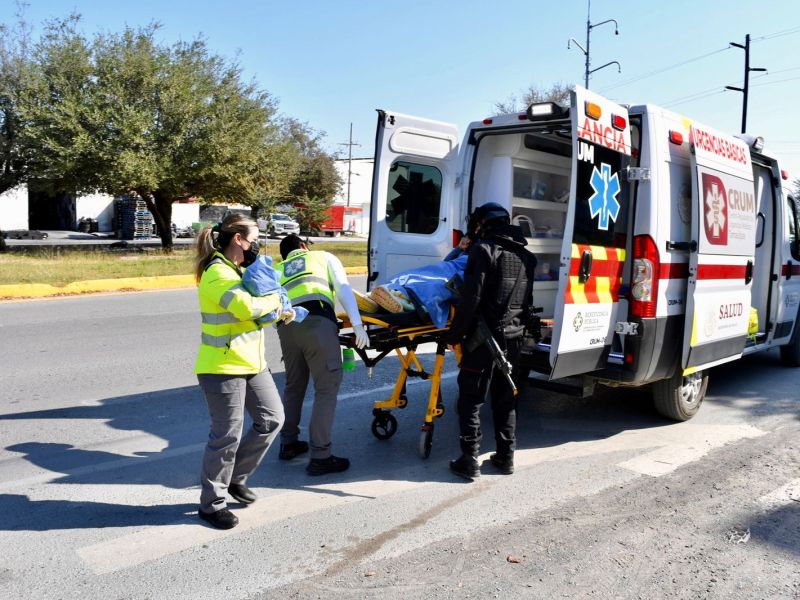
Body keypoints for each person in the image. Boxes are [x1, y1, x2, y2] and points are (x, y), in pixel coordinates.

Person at [193, 214, 293, 529]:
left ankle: (236, 476)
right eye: (254, 238)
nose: (256, 244)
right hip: (222, 367)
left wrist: (280, 308)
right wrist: (277, 300)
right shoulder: (216, 273)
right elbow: (245, 308)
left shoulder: (239, 270)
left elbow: (255, 311)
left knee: (272, 419)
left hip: (252, 364)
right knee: (226, 436)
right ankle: (212, 504)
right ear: (238, 239)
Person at [445, 203, 537, 480]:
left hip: (484, 340)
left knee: (471, 398)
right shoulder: (526, 257)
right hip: (515, 339)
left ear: (482, 224)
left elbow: (471, 300)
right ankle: (505, 456)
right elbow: (527, 304)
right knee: (506, 398)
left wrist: (454, 336)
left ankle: (469, 459)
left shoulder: (483, 251)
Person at [275, 234, 369, 475]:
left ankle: (288, 443)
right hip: (317, 323)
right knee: (326, 388)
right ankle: (321, 455)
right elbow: (342, 288)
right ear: (303, 246)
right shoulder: (323, 257)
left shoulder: (278, 269)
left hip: (286, 329)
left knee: (294, 386)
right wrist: (357, 325)